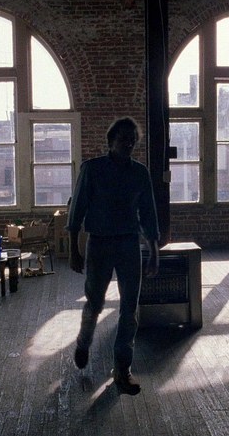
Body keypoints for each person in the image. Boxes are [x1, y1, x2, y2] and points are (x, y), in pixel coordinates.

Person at [66, 116, 160, 395]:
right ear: (111, 141)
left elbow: (148, 214)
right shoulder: (92, 169)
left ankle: (122, 369)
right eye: (123, 139)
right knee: (95, 302)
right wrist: (73, 249)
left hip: (129, 245)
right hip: (99, 245)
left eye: (132, 140)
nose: (128, 144)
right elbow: (77, 210)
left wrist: (154, 251)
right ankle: (84, 341)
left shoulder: (139, 173)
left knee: (130, 308)